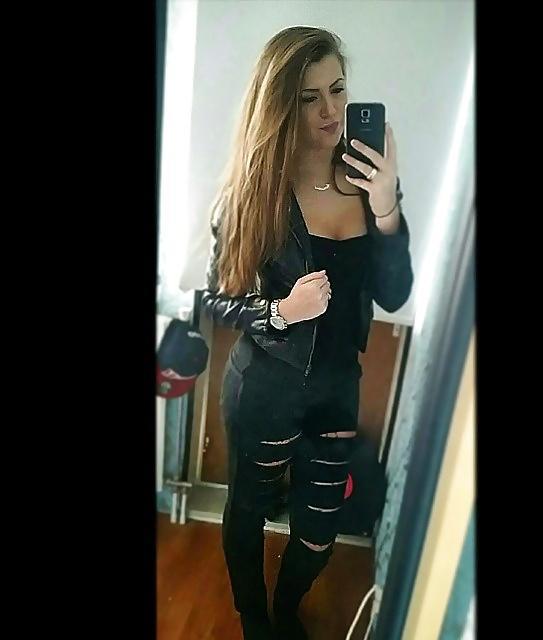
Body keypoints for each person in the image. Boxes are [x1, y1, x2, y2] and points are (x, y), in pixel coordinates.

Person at [202, 26, 413, 640]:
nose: (330, 110)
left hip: (336, 391)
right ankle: (255, 619)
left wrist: (387, 206)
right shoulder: (254, 190)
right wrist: (282, 312)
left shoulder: (369, 181)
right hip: (265, 387)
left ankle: (287, 608)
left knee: (319, 531)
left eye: (338, 90)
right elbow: (217, 299)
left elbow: (394, 293)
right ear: (280, 105)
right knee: (248, 511)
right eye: (309, 97)